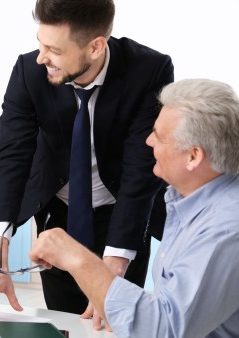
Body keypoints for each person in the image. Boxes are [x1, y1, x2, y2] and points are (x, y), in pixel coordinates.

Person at [0, 0, 175, 327]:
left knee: (116, 323)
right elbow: (12, 157)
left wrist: (112, 270)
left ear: (95, 47)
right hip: (59, 215)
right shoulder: (29, 72)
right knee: (65, 323)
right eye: (40, 43)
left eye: (54, 49)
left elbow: (140, 169)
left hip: (122, 214)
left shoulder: (149, 70)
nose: (41, 57)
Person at [28, 78, 239, 337]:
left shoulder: (226, 229)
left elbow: (165, 329)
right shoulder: (188, 201)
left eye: (159, 136)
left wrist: (76, 258)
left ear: (193, 156)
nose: (148, 141)